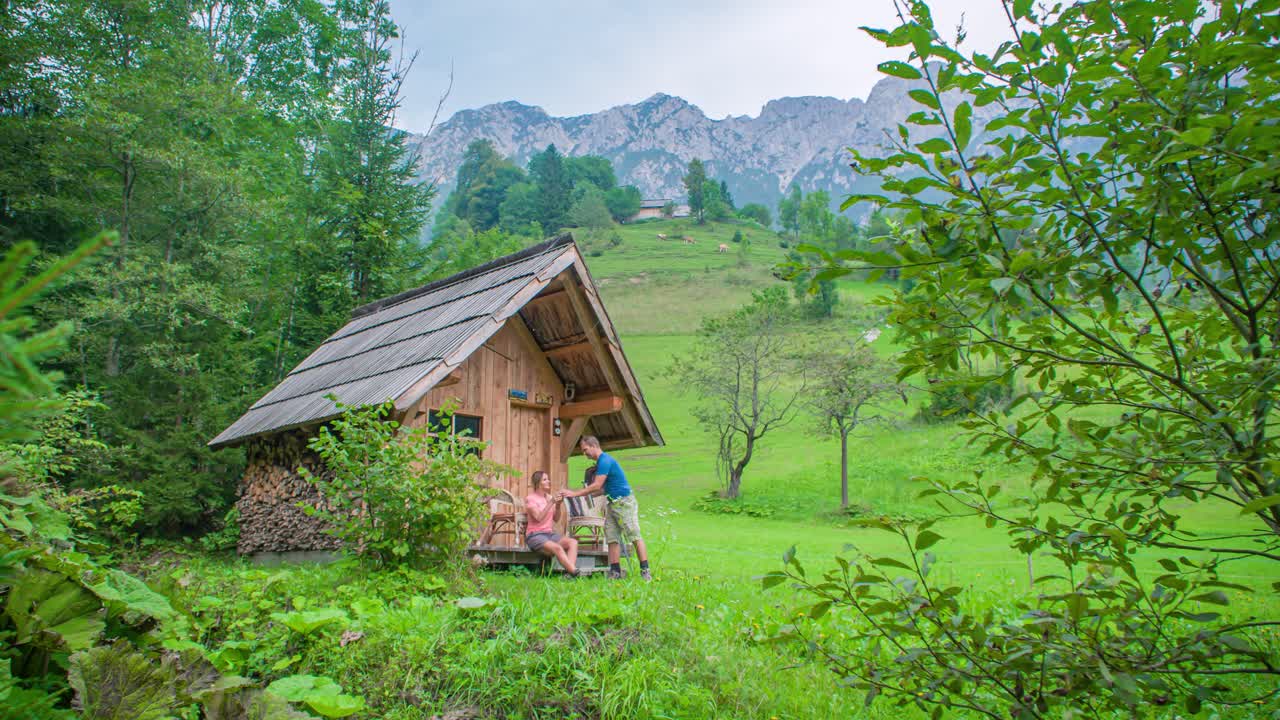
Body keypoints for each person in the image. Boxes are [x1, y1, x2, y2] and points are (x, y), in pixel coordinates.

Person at [561, 436, 650, 581]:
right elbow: (601, 490)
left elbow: (596, 485)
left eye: (585, 450)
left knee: (634, 535)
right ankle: (615, 572)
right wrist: (582, 495)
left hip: (624, 502)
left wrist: (574, 493)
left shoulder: (605, 460)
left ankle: (645, 571)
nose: (585, 454)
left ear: (593, 445)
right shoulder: (600, 463)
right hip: (612, 503)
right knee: (611, 537)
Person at [523, 470, 579, 576]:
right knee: (557, 548)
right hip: (535, 536)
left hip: (549, 534)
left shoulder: (549, 497)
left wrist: (558, 505)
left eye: (548, 479)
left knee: (573, 542)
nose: (548, 481)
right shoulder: (530, 499)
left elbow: (556, 519)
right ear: (538, 483)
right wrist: (552, 502)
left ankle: (570, 572)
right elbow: (539, 517)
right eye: (545, 479)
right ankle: (574, 572)